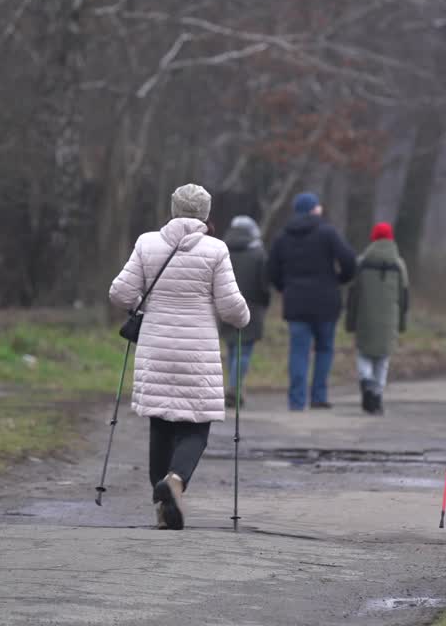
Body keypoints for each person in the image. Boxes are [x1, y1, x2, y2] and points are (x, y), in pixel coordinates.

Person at [108, 184, 250, 530]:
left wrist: (144, 304)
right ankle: (174, 481)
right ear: (205, 213)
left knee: (160, 423)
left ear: (173, 209)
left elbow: (120, 292)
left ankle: (162, 507)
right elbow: (231, 307)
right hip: (197, 353)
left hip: (155, 349)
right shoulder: (215, 249)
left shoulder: (147, 243)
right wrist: (243, 317)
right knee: (196, 426)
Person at [268, 192, 358, 411]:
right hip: (326, 301)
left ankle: (297, 400)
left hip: (296, 302)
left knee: (298, 351)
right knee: (324, 349)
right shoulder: (328, 233)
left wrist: (284, 287)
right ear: (313, 209)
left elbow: (271, 270)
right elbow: (349, 260)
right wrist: (339, 280)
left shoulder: (283, 236)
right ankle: (318, 396)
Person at [345, 222, 409, 415]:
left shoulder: (362, 263)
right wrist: (401, 324)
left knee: (363, 354)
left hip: (365, 317)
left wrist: (350, 322)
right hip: (389, 320)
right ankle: (377, 395)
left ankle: (366, 380)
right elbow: (404, 298)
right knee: (383, 359)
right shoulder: (399, 264)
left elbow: (353, 296)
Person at [220, 215, 271, 408]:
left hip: (225, 305)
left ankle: (233, 386)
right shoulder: (258, 253)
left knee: (232, 347)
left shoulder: (223, 250)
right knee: (245, 350)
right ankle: (234, 388)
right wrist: (264, 302)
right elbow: (264, 284)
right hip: (252, 307)